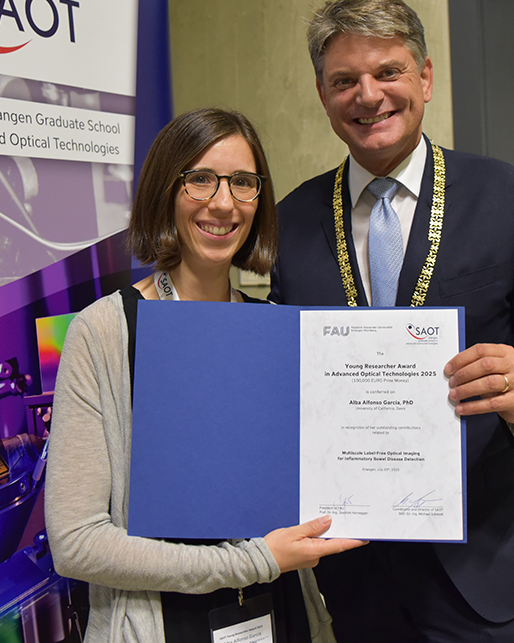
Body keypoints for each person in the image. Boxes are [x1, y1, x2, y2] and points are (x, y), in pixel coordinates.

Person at [269, 0, 514, 642]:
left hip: (480, 558)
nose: (368, 95)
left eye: (387, 71)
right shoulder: (293, 220)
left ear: (424, 77)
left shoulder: (506, 197)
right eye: (345, 80)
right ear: (321, 94)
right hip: (354, 566)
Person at [47, 107, 364, 643]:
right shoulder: (102, 331)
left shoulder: (277, 329)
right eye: (200, 179)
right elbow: (77, 543)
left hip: (283, 616)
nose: (223, 202)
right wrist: (253, 561)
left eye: (243, 182)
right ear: (165, 191)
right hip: (160, 625)